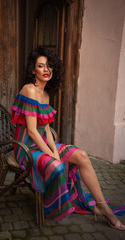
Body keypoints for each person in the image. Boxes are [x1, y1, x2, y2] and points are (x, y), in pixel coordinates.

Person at [11, 47, 125, 230]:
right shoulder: (29, 90)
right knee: (56, 166)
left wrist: (55, 151)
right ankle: (57, 204)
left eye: (49, 66)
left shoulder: (46, 94)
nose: (46, 70)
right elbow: (32, 132)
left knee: (82, 156)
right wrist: (52, 155)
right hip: (26, 148)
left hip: (42, 144)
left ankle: (102, 207)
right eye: (41, 66)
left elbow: (46, 129)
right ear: (33, 70)